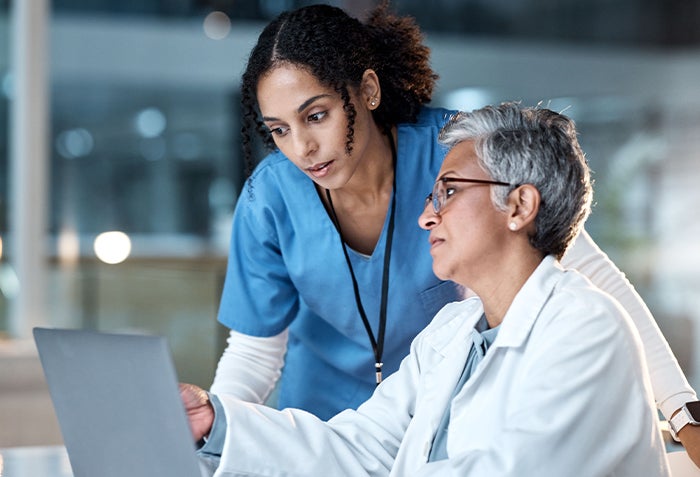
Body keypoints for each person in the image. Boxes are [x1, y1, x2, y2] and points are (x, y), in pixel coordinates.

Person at [211, 1, 700, 464]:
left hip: (439, 417)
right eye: (278, 130)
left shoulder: (458, 159)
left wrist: (683, 413)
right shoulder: (272, 197)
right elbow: (254, 352)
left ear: (368, 91)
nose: (303, 148)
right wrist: (210, 435)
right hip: (328, 431)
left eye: (316, 116)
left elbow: (588, 274)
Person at [184, 102, 670, 476]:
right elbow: (361, 447)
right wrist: (216, 421)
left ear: (520, 205)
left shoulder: (586, 330)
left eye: (450, 192)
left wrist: (684, 411)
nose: (425, 216)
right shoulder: (453, 332)